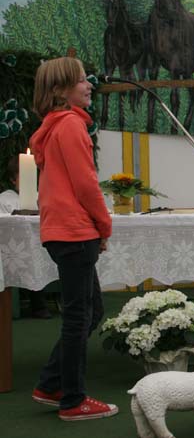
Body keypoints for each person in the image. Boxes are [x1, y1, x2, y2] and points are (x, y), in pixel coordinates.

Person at [28, 57, 118, 420]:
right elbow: (86, 184)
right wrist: (104, 225)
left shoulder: (55, 126)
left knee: (91, 310)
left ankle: (51, 384)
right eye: (81, 80)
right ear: (60, 90)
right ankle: (73, 400)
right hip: (75, 231)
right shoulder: (70, 126)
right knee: (79, 316)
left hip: (63, 230)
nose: (89, 84)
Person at [0, 156, 53, 319]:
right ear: (13, 179)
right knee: (29, 256)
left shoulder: (42, 196)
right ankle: (36, 305)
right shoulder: (5, 199)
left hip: (42, 242)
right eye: (22, 177)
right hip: (13, 246)